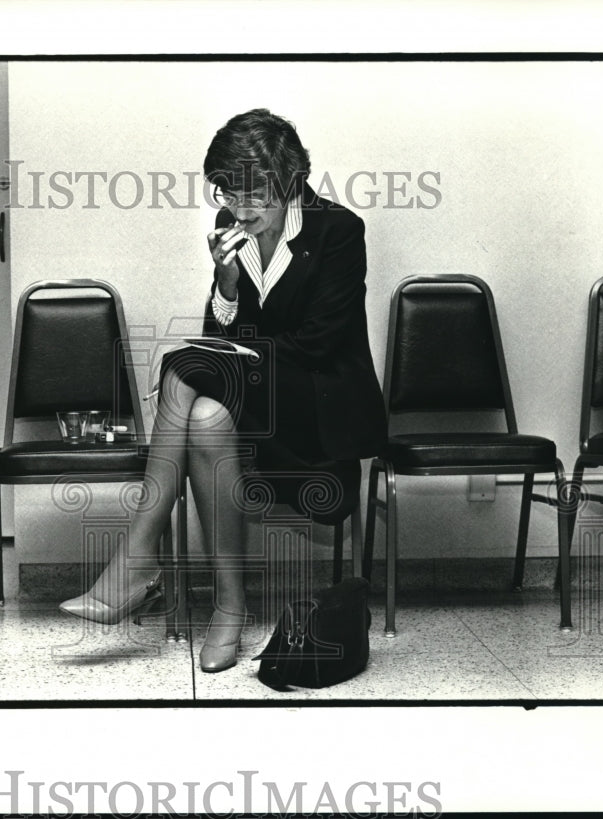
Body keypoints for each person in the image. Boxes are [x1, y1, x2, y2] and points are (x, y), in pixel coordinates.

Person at [60, 109, 386, 672]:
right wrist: (227, 285)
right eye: (228, 192)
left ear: (291, 182)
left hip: (318, 413)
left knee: (183, 366)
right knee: (208, 412)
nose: (239, 207)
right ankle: (227, 610)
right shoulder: (232, 225)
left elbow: (317, 347)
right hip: (257, 404)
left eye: (254, 194)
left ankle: (138, 560)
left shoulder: (339, 231)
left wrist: (234, 351)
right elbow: (224, 339)